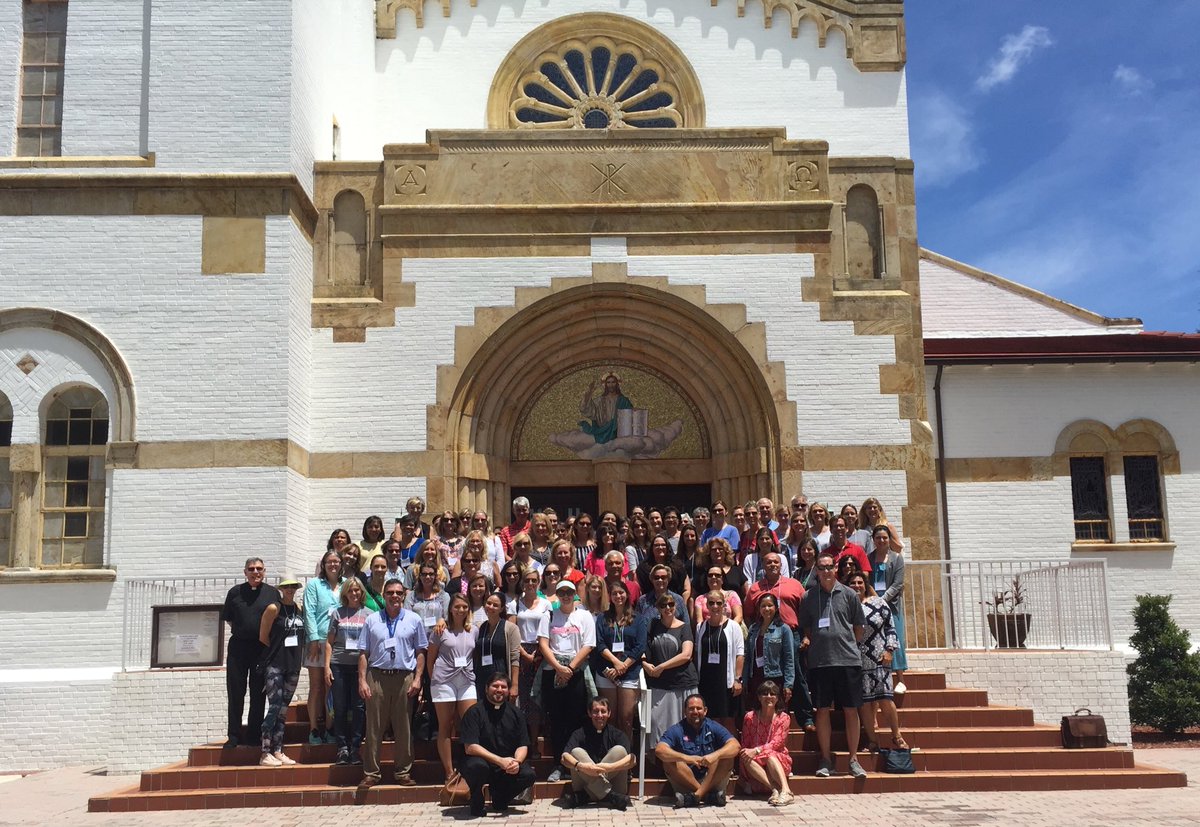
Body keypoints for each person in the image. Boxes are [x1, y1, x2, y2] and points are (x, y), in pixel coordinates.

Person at [798, 550, 867, 779]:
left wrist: (844, 643)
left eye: (830, 567)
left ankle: (854, 759)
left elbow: (859, 628)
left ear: (835, 569)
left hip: (847, 661)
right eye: (822, 567)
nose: (826, 571)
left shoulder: (849, 594)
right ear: (816, 570)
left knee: (850, 710)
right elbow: (807, 628)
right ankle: (826, 759)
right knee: (823, 711)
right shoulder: (809, 597)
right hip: (820, 662)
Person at [357, 579, 428, 790]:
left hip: (404, 677)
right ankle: (371, 773)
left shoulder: (414, 619)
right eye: (390, 592)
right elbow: (363, 652)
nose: (394, 596)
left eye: (398, 592)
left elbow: (421, 651)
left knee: (403, 726)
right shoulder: (372, 620)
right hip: (377, 676)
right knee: (373, 727)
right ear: (384, 594)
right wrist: (362, 680)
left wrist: (418, 679)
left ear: (404, 595)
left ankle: (403, 772)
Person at [537, 579, 596, 782]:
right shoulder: (549, 615)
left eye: (569, 592)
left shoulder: (584, 615)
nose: (565, 596)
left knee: (576, 718)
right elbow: (543, 643)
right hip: (553, 670)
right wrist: (558, 668)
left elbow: (588, 644)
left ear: (574, 594)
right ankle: (558, 764)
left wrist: (570, 668)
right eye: (561, 592)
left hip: (576, 671)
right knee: (556, 720)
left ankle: (575, 762)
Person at [845, 570, 909, 753]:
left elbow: (890, 627)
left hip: (880, 658)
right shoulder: (847, 606)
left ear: (865, 585)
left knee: (886, 700)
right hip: (857, 660)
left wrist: (890, 650)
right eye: (852, 583)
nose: (856, 586)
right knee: (865, 702)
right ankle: (872, 740)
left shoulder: (879, 603)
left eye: (859, 582)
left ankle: (896, 735)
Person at [458, 673, 536, 817]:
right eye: (495, 686)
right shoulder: (474, 712)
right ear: (486, 688)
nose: (499, 690)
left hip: (506, 766)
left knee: (528, 774)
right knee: (477, 766)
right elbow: (470, 747)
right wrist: (500, 761)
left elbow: (523, 744)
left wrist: (516, 762)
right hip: (481, 762)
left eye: (503, 687)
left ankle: (501, 797)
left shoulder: (516, 713)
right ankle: (476, 800)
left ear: (508, 691)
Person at [221, 557, 280, 748]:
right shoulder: (235, 593)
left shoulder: (272, 593)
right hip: (238, 648)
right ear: (245, 572)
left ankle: (254, 735)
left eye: (259, 569)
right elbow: (228, 619)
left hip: (260, 649)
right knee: (236, 692)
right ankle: (234, 735)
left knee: (258, 693)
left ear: (265, 571)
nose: (256, 572)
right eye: (252, 569)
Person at [655, 694, 740, 809]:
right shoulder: (676, 729)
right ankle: (707, 796)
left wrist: (714, 755)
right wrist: (688, 758)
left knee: (725, 756)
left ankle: (695, 797)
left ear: (705, 711)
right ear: (684, 711)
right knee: (670, 760)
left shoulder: (713, 726)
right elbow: (660, 750)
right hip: (686, 781)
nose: (695, 711)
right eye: (691, 708)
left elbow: (735, 746)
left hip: (712, 779)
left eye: (699, 708)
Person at [427, 593, 478, 779]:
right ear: (450, 608)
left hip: (466, 680)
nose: (461, 610)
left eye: (464, 607)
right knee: (445, 726)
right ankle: (449, 771)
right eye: (457, 606)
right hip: (444, 681)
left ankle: (470, 766)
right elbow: (430, 659)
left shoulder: (473, 630)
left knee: (470, 723)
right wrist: (435, 681)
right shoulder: (440, 630)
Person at [256, 575, 304, 766]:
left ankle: (278, 749)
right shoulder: (273, 608)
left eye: (293, 586)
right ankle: (265, 751)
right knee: (274, 707)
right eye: (287, 587)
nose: (290, 590)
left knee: (283, 710)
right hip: (275, 664)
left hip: (293, 665)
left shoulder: (299, 609)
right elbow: (263, 636)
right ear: (281, 589)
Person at [592, 579, 648, 739]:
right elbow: (600, 643)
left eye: (621, 593)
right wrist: (616, 664)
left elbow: (640, 646)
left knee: (626, 718)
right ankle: (610, 753)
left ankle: (626, 755)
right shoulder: (602, 618)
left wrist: (624, 665)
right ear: (610, 597)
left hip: (629, 673)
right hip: (607, 672)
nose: (618, 596)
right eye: (614, 593)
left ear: (627, 595)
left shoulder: (638, 618)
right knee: (609, 717)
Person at [561, 696, 636, 810]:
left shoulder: (617, 734)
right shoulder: (579, 733)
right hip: (608, 791)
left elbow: (632, 760)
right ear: (589, 713)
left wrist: (609, 767)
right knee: (576, 752)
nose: (600, 715)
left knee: (620, 750)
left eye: (603, 711)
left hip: (613, 784)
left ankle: (584, 796)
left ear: (609, 713)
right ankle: (610, 796)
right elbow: (564, 758)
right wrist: (581, 766)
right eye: (595, 711)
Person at [325, 577, 370, 765]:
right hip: (339, 665)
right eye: (350, 590)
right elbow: (329, 642)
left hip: (359, 667)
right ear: (345, 593)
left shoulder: (369, 614)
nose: (354, 594)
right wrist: (326, 667)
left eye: (357, 590)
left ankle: (355, 748)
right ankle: (342, 748)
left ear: (362, 593)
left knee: (359, 708)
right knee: (341, 707)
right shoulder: (337, 613)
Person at [642, 592, 698, 745]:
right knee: (656, 726)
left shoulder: (684, 627)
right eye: (663, 605)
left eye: (671, 604)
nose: (668, 608)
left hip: (682, 684)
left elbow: (686, 655)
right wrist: (644, 663)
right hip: (659, 685)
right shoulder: (652, 626)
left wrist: (662, 666)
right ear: (658, 609)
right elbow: (643, 648)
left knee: (684, 730)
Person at [304, 549, 343, 744]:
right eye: (330, 561)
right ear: (324, 564)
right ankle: (314, 729)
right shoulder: (314, 585)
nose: (333, 565)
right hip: (318, 640)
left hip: (339, 641)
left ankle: (329, 727)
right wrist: (312, 639)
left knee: (331, 686)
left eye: (337, 561)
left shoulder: (346, 585)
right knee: (317, 686)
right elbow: (309, 612)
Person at [694, 590, 745, 733]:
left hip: (727, 682)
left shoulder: (733, 626)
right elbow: (698, 652)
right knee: (711, 720)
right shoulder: (701, 627)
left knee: (728, 721)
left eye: (718, 603)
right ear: (707, 606)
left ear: (724, 605)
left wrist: (737, 679)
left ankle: (730, 754)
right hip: (707, 680)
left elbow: (740, 654)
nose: (715, 606)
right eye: (711, 603)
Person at [867, 522, 909, 693]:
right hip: (872, 602)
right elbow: (866, 580)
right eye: (878, 538)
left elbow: (898, 583)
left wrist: (883, 599)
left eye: (885, 537)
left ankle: (900, 679)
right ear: (873, 540)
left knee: (895, 638)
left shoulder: (896, 558)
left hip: (891, 605)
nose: (882, 540)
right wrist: (874, 599)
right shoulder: (869, 558)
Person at [512, 566, 552, 745]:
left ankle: (535, 742)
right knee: (522, 697)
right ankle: (522, 741)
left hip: (541, 651)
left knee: (537, 697)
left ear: (538, 582)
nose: (530, 583)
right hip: (520, 651)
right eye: (527, 580)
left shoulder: (546, 604)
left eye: (534, 580)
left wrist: (538, 652)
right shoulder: (515, 603)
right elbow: (512, 630)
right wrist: (523, 653)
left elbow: (549, 630)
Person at [738, 681, 793, 806]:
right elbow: (745, 744)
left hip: (777, 759)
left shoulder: (783, 718)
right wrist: (743, 772)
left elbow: (777, 743)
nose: (769, 696)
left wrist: (757, 750)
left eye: (773, 694)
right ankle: (774, 789)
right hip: (756, 763)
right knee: (745, 755)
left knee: (770, 755)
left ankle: (786, 791)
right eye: (764, 694)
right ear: (758, 697)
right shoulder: (750, 717)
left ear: (778, 698)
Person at [742, 593, 795, 709]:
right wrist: (745, 680)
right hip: (756, 678)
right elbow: (748, 657)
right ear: (759, 609)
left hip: (775, 678)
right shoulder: (753, 629)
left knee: (776, 714)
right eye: (763, 606)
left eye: (770, 605)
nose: (766, 609)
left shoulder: (784, 629)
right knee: (758, 713)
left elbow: (789, 659)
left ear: (776, 608)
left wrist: (788, 684)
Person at [474, 592, 520, 700]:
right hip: (482, 676)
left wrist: (514, 685)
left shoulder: (510, 628)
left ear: (501, 608)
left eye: (495, 605)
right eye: (488, 603)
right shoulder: (481, 627)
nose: (491, 607)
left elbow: (515, 658)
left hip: (501, 677)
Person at [579, 371, 633, 444]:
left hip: (619, 434)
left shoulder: (623, 400)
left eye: (613, 382)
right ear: (605, 384)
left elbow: (631, 415)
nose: (611, 385)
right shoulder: (599, 401)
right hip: (602, 432)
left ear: (617, 384)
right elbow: (585, 408)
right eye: (608, 382)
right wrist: (589, 392)